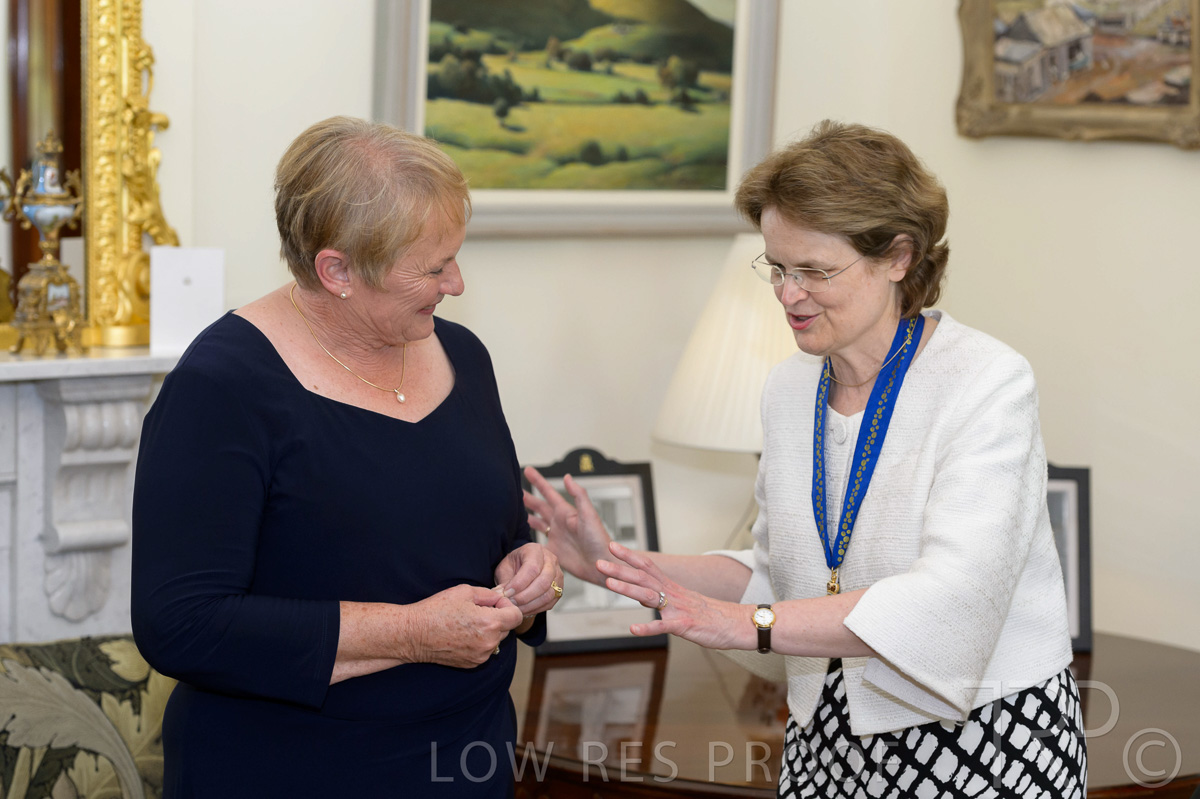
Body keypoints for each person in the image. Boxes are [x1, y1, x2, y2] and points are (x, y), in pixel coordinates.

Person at [524, 120, 1085, 798]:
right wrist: (616, 564)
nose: (788, 294)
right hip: (826, 735)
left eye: (815, 271)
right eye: (778, 267)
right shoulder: (790, 389)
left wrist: (749, 627)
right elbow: (777, 575)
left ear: (898, 256)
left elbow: (953, 599)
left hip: (982, 739)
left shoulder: (986, 383)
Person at [131, 116, 563, 798]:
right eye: (433, 267)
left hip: (467, 758)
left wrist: (530, 573)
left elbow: (498, 534)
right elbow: (181, 625)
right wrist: (413, 633)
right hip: (289, 771)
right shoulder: (221, 386)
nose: (457, 283)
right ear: (336, 270)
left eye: (454, 257)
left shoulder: (465, 357)